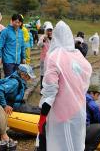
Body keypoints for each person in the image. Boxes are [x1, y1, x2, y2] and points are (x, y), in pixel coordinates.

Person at [36, 21, 92, 151]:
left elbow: (50, 93)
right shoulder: (78, 57)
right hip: (78, 110)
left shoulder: (54, 57)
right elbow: (86, 79)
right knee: (74, 143)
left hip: (61, 113)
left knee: (56, 142)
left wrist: (42, 118)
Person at [0, 14, 26, 78]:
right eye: (16, 22)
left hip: (18, 60)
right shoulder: (5, 31)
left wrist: (23, 57)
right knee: (9, 78)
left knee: (16, 79)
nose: (17, 24)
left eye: (19, 22)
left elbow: (22, 46)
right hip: (8, 59)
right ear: (11, 21)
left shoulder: (21, 32)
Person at [85, 85, 100, 151]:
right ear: (92, 93)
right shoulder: (93, 105)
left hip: (75, 127)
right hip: (83, 130)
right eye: (97, 95)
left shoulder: (79, 98)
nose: (98, 98)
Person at [37, 22, 53, 90]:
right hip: (44, 58)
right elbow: (39, 45)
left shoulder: (54, 38)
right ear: (46, 30)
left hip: (52, 59)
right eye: (48, 30)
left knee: (50, 73)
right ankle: (42, 88)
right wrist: (43, 40)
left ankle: (48, 87)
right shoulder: (43, 37)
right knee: (43, 73)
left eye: (50, 30)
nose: (49, 32)